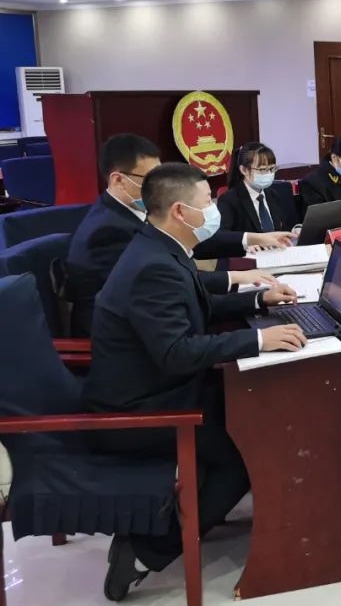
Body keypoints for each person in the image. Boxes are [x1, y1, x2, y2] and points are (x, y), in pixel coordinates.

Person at [81, 163, 307, 600]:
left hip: (158, 387)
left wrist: (258, 298)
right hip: (140, 408)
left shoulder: (160, 247)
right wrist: (259, 339)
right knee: (244, 453)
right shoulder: (152, 265)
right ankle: (146, 550)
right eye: (208, 202)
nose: (214, 209)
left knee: (253, 417)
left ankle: (199, 515)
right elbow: (177, 352)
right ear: (181, 212)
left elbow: (196, 301)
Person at [65, 134, 291, 337]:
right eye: (149, 178)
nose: (158, 185)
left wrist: (253, 246)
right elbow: (166, 283)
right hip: (128, 337)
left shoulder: (133, 210)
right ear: (118, 180)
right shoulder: (107, 231)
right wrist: (237, 278)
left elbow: (188, 244)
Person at [218, 142, 300, 234]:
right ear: (244, 170)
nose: (269, 174)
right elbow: (223, 236)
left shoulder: (273, 194)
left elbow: (282, 228)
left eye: (272, 169)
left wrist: (294, 230)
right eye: (262, 169)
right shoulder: (229, 200)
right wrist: (252, 240)